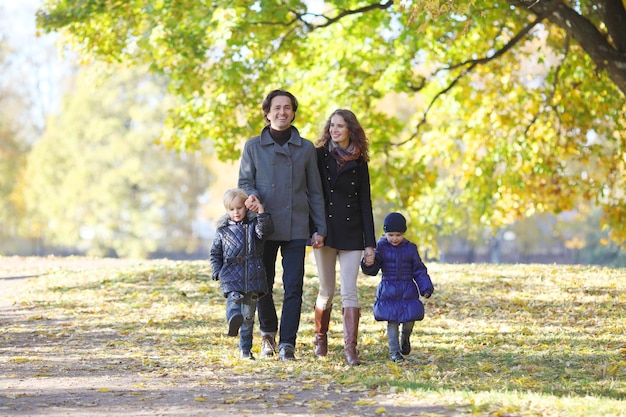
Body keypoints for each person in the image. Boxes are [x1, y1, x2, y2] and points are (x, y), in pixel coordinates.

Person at [238, 89, 327, 361]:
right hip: (262, 225)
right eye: (277, 108)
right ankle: (268, 335)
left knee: (294, 286)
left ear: (293, 112)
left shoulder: (306, 148)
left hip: (296, 226)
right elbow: (244, 183)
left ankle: (288, 342)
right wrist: (251, 196)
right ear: (267, 113)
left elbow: (314, 191)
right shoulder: (253, 147)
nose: (282, 112)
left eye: (287, 108)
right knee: (262, 284)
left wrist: (320, 227)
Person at [312, 109, 376, 366]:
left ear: (351, 129)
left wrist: (370, 243)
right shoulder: (318, 156)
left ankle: (350, 349)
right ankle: (320, 339)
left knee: (350, 291)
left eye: (340, 126)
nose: (334, 130)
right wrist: (313, 230)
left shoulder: (360, 162)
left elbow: (365, 203)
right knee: (326, 290)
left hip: (352, 234)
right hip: (324, 232)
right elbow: (312, 195)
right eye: (332, 126)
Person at [209, 188, 274, 360]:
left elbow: (265, 231)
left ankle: (245, 351)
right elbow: (215, 253)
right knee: (234, 300)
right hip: (231, 275)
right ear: (227, 210)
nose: (236, 212)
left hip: (253, 277)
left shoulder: (253, 226)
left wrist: (261, 210)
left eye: (239, 208)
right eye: (232, 209)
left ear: (245, 207)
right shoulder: (222, 231)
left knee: (248, 317)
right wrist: (217, 270)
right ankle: (232, 318)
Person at [361, 212, 434, 362]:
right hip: (389, 291)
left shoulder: (410, 248)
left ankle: (405, 338)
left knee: (409, 320)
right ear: (385, 233)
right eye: (391, 235)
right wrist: (367, 263)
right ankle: (394, 353)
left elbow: (419, 270)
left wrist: (425, 288)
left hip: (408, 289)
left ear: (404, 233)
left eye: (398, 235)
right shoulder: (380, 247)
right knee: (392, 322)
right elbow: (373, 269)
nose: (394, 238)